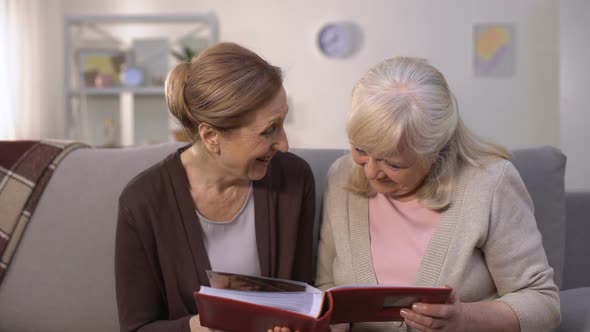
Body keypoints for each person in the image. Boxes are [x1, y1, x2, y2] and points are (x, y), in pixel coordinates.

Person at [315, 57, 560, 332]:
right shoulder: (340, 176)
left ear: (434, 152)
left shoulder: (490, 182)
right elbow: (326, 288)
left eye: (393, 163)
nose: (371, 172)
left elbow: (543, 302)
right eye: (360, 150)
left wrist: (465, 319)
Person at [115, 42, 315, 332]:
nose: (284, 144)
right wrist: (195, 328)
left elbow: (303, 299)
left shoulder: (295, 180)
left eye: (283, 123)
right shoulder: (142, 202)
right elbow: (136, 328)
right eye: (269, 129)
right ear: (210, 136)